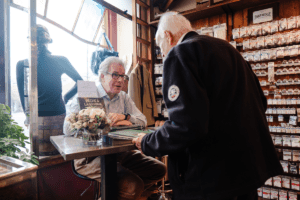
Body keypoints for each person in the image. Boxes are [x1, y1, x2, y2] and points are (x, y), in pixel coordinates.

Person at [133, 12, 283, 200]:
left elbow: (186, 125)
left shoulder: (180, 53)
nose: (163, 54)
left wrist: (147, 142)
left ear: (167, 36)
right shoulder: (230, 51)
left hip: (210, 180)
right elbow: (261, 102)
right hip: (246, 174)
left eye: (160, 47)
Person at [63, 56, 166, 200]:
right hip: (90, 158)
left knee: (159, 170)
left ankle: (117, 195)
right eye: (115, 75)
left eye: (122, 76)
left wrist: (125, 117)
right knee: (133, 185)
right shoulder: (87, 93)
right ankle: (123, 193)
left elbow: (143, 120)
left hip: (119, 153)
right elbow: (67, 129)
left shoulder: (123, 97)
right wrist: (91, 120)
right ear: (102, 76)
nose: (120, 80)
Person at [16, 24, 83, 156]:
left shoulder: (22, 64)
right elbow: (81, 83)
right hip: (59, 116)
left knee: (38, 159)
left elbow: (23, 97)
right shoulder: (60, 60)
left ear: (29, 41)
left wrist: (28, 116)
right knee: (60, 157)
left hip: (36, 119)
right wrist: (66, 97)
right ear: (48, 40)